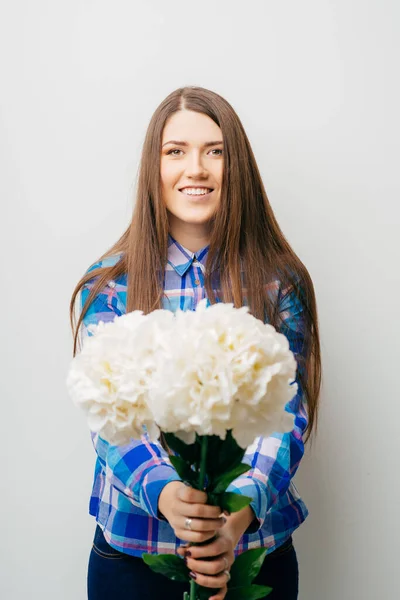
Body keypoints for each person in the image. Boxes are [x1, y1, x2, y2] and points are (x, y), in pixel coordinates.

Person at [69, 86, 322, 600]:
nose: (196, 168)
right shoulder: (109, 284)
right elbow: (110, 416)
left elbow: (286, 415)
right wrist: (167, 495)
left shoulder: (279, 284)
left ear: (237, 167)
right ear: (154, 168)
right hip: (134, 557)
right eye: (175, 151)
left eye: (215, 150)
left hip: (254, 550)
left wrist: (237, 512)